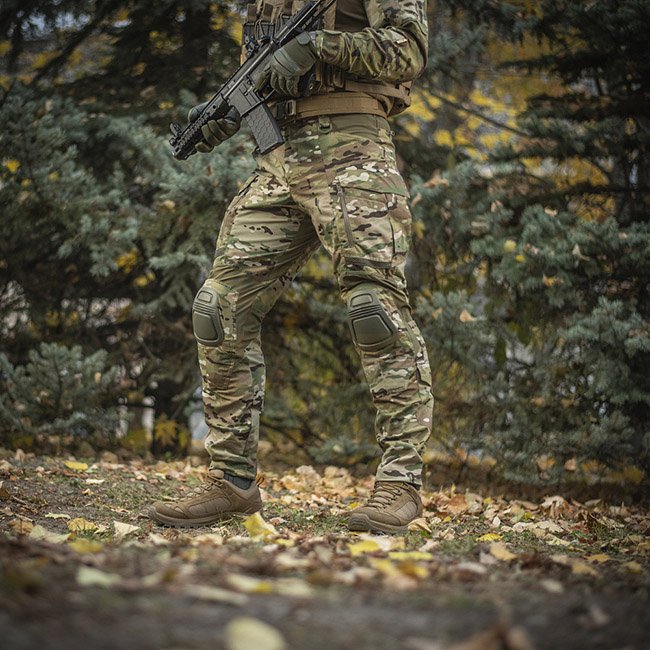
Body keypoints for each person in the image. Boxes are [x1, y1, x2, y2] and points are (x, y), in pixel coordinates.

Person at [149, 0, 433, 534]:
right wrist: (230, 110)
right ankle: (231, 481)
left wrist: (317, 45)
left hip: (354, 153)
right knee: (218, 308)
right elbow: (267, 67)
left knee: (374, 308)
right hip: (278, 161)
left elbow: (407, 51)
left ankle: (401, 484)